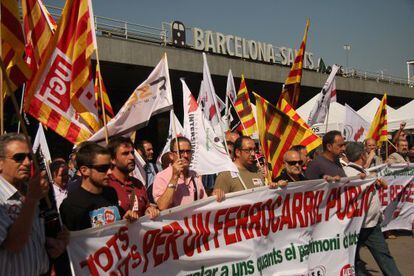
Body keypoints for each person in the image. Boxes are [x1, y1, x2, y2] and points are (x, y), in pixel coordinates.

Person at [0, 133, 67, 275]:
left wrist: (55, 243)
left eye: (30, 157)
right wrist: (31, 199)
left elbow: (33, 238)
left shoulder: (34, 192)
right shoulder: (27, 195)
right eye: (19, 158)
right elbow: (13, 244)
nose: (27, 162)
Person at [343, 142, 401, 276]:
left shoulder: (362, 171)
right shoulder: (349, 173)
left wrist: (375, 185)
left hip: (372, 223)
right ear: (362, 155)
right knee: (354, 259)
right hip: (359, 226)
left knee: (383, 256)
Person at [60, 143, 145, 231]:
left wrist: (126, 218)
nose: (109, 172)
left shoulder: (111, 192)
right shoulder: (70, 206)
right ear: (84, 170)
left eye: (110, 167)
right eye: (103, 168)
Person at [153, 136, 224, 211]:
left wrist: (213, 196)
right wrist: (174, 177)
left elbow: (203, 202)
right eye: (181, 152)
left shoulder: (194, 175)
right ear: (171, 155)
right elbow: (162, 206)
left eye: (188, 151)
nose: (186, 155)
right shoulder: (162, 176)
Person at [107, 137, 159, 217]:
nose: (131, 157)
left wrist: (149, 210)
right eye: (125, 154)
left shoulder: (138, 184)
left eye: (132, 153)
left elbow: (146, 208)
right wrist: (122, 221)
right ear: (112, 159)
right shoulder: (106, 185)